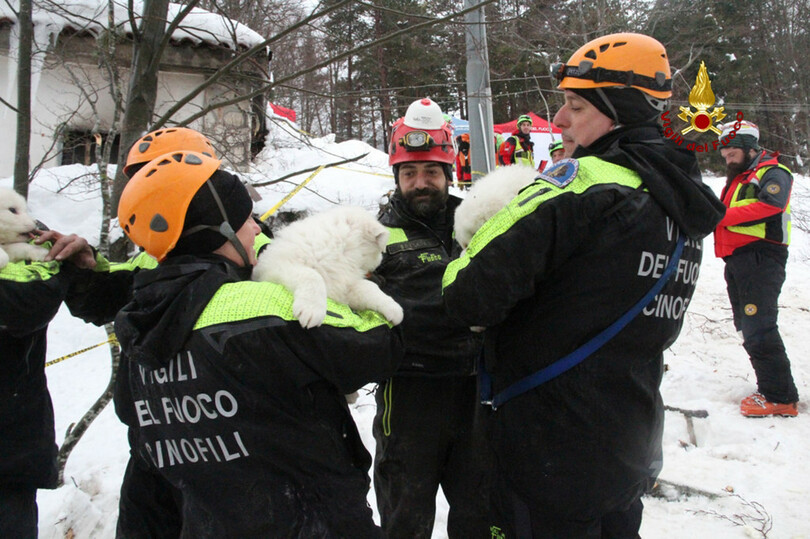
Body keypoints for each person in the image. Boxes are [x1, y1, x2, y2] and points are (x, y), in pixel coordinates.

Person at [442, 33, 725, 538]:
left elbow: (467, 292)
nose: (559, 120)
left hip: (547, 447)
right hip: (629, 437)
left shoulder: (582, 183)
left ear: (619, 111)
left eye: (575, 105)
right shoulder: (681, 201)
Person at [113, 150, 403, 537]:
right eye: (246, 218)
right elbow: (380, 346)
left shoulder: (137, 332)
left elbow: (142, 450)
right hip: (309, 524)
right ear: (219, 230)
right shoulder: (262, 308)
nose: (256, 228)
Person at [373, 98, 488, 538]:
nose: (420, 183)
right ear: (397, 176)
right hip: (409, 395)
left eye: (431, 172)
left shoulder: (481, 219)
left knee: (481, 513)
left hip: (476, 390)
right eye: (409, 173)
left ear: (448, 172)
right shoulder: (374, 235)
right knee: (405, 518)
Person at [0, 225, 121, 538]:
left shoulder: (17, 229)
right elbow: (23, 302)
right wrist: (58, 266)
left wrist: (80, 264)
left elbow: (105, 300)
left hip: (11, 460)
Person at [714, 120, 799, 417]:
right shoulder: (741, 177)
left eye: (733, 152)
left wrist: (720, 215)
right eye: (724, 153)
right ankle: (771, 388)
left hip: (761, 258)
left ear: (751, 148)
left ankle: (780, 396)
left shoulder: (772, 172)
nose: (727, 158)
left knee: (759, 324)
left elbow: (770, 205)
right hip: (739, 259)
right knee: (749, 325)